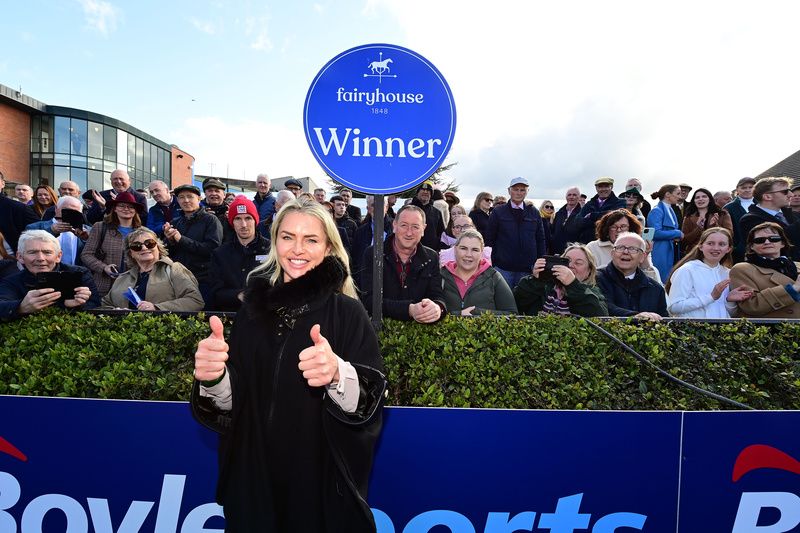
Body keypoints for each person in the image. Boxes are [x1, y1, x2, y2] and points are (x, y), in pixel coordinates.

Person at [191, 197, 385, 531]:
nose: (297, 249)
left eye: (311, 240)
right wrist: (214, 379)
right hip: (254, 484)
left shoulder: (347, 313)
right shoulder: (253, 312)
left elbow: (370, 402)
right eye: (288, 237)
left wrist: (338, 374)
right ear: (275, 242)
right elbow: (233, 405)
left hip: (319, 489)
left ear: (328, 248)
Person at [360, 205, 447, 323]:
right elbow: (368, 300)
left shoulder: (431, 257)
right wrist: (409, 309)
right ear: (394, 226)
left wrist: (437, 308)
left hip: (419, 333)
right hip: (381, 330)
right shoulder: (373, 253)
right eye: (404, 225)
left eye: (415, 227)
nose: (409, 233)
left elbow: (437, 295)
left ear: (423, 229)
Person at [0, 230, 99, 320]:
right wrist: (21, 307)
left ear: (58, 256)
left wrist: (76, 305)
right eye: (32, 252)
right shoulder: (11, 281)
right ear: (20, 257)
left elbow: (95, 307)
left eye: (47, 252)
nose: (40, 258)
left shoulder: (79, 274)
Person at [102, 227, 204, 311]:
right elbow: (104, 305)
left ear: (158, 247)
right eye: (136, 246)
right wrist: (116, 312)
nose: (144, 248)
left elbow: (195, 301)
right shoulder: (123, 278)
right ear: (131, 253)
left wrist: (157, 308)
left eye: (149, 243)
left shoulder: (174, 269)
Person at [665, 228, 752, 318]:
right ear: (701, 246)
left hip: (721, 330)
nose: (716, 248)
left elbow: (731, 315)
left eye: (722, 244)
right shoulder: (687, 270)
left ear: (728, 249)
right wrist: (711, 297)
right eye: (710, 243)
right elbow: (673, 307)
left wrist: (729, 300)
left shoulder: (727, 273)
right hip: (693, 330)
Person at [163, 184, 223, 304]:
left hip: (203, 279)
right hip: (178, 279)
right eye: (181, 197)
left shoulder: (211, 220)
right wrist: (170, 241)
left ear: (199, 199)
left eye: (190, 197)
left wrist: (181, 239)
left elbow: (212, 250)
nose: (186, 200)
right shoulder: (175, 222)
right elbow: (167, 252)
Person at [208, 196, 270, 312]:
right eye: (238, 219)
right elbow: (215, 293)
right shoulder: (220, 254)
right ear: (232, 222)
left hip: (264, 316)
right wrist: (238, 295)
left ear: (255, 220)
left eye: (248, 218)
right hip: (231, 316)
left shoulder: (271, 250)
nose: (243, 224)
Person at [485, 177, 547, 289]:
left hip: (527, 269)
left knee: (524, 302)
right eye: (515, 189)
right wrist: (493, 262)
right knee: (503, 302)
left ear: (527, 191)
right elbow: (489, 238)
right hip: (503, 268)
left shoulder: (534, 212)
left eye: (522, 190)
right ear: (509, 191)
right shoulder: (498, 212)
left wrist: (540, 262)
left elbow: (540, 239)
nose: (519, 192)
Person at [514, 243, 608, 317]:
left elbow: (600, 316)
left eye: (578, 263)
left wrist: (572, 285)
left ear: (589, 271)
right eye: (567, 260)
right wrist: (536, 280)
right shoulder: (546, 284)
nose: (571, 266)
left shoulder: (593, 292)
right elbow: (517, 304)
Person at [729, 222, 800, 318]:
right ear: (751, 246)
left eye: (774, 239)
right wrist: (792, 290)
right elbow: (751, 305)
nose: (767, 242)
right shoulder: (742, 269)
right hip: (771, 330)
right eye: (760, 240)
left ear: (782, 243)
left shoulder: (797, 266)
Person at [81, 191, 145, 296]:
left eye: (130, 207)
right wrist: (103, 267)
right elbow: (86, 255)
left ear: (135, 211)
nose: (126, 209)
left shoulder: (143, 232)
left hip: (133, 286)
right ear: (114, 208)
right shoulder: (100, 227)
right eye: (121, 205)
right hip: (104, 286)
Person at [441, 229, 516, 315]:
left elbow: (512, 314)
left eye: (475, 250)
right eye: (463, 248)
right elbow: (426, 312)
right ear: (455, 249)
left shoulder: (494, 277)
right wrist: (458, 314)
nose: (468, 254)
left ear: (481, 253)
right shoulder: (441, 275)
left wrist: (477, 313)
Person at [596, 232, 668, 320]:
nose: (626, 252)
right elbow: (605, 307)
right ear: (612, 253)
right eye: (620, 248)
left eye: (633, 249)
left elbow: (664, 321)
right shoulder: (597, 278)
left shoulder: (655, 288)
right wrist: (636, 316)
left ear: (642, 257)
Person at [585, 209, 661, 284]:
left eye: (623, 226)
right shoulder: (593, 247)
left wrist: (645, 256)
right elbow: (588, 276)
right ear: (607, 229)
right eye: (613, 227)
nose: (618, 230)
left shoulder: (639, 246)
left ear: (630, 229)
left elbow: (651, 280)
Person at [26, 196, 91, 266]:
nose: (70, 214)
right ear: (56, 208)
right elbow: (29, 249)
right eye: (66, 210)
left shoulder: (89, 230)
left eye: (75, 212)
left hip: (78, 273)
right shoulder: (35, 227)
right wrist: (51, 231)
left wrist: (86, 239)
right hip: (45, 272)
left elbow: (94, 254)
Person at [738, 177, 794, 255]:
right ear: (767, 197)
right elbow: (786, 239)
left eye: (790, 191)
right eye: (785, 192)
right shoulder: (750, 220)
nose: (791, 194)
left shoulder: (792, 214)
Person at [351, 195, 392, 287]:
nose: (377, 208)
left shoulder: (396, 229)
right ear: (368, 208)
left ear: (386, 207)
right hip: (366, 283)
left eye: (381, 204)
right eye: (373, 205)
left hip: (390, 282)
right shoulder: (360, 231)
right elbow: (355, 260)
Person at [647, 184, 683, 282]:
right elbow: (655, 233)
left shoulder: (669, 209)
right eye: (678, 193)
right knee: (660, 280)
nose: (680, 197)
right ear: (668, 194)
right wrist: (677, 233)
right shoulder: (656, 211)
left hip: (670, 251)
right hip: (660, 252)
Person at [681, 187, 733, 254]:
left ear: (710, 199)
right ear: (694, 201)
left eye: (704, 196)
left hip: (717, 252)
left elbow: (730, 234)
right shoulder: (688, 217)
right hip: (695, 254)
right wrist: (698, 229)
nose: (701, 199)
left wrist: (715, 226)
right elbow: (685, 241)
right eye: (697, 197)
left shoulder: (722, 214)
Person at [575, 177, 626, 243]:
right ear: (596, 188)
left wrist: (591, 215)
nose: (603, 189)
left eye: (606, 186)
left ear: (612, 187)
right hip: (587, 244)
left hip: (608, 243)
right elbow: (577, 222)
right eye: (600, 187)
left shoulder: (620, 202)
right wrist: (603, 221)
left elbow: (615, 216)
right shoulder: (589, 204)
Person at [0, 172, 39, 253]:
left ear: (3, 184)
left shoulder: (18, 208)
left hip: (9, 259)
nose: (21, 191)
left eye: (24, 190)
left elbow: (39, 233)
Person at [724, 177, 756, 263]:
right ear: (737, 189)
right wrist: (737, 247)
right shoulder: (728, 208)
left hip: (762, 247)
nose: (747, 190)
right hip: (739, 253)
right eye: (744, 187)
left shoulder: (763, 204)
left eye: (750, 187)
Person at [409, 181, 445, 251]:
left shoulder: (437, 212)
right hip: (410, 250)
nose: (425, 192)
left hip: (430, 252)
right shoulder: (407, 209)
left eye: (428, 190)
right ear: (417, 193)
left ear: (431, 194)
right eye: (423, 190)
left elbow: (441, 234)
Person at [201, 177, 234, 244]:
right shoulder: (198, 212)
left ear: (224, 195)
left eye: (217, 191)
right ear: (205, 194)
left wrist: (233, 220)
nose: (213, 193)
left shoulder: (233, 212)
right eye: (210, 191)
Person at [551, 186, 582, 254]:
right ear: (566, 197)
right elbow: (553, 232)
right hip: (556, 253)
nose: (571, 197)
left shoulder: (582, 214)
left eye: (574, 195)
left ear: (579, 197)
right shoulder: (559, 214)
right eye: (569, 195)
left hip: (573, 254)